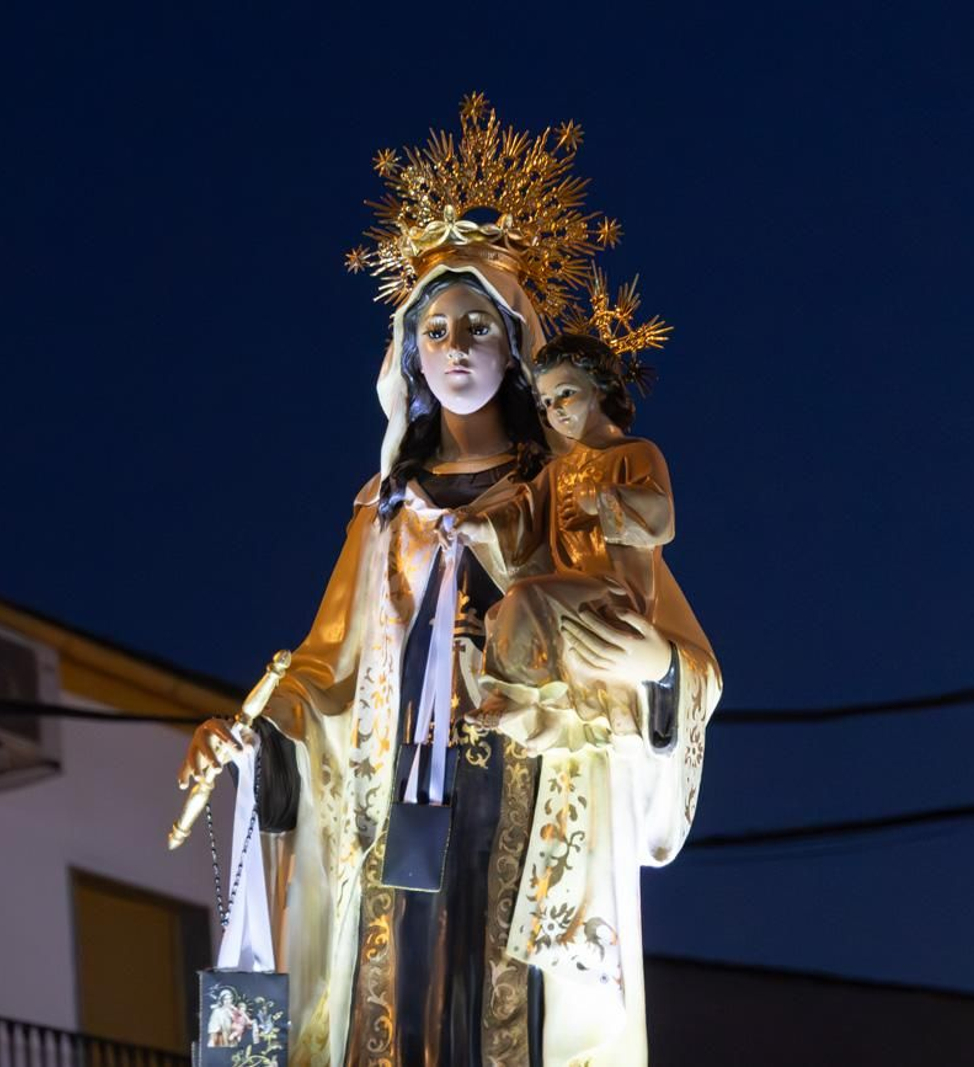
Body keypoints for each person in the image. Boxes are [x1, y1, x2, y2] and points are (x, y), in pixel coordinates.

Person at [178, 97, 721, 1066]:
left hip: (527, 774)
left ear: (516, 343)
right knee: (398, 1000)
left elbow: (671, 649)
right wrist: (252, 733)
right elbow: (328, 669)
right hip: (397, 795)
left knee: (503, 1003)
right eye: (436, 327)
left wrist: (654, 669)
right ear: (410, 358)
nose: (458, 343)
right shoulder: (385, 506)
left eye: (478, 322)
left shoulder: (568, 487)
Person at [463, 331, 676, 757]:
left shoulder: (634, 453)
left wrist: (603, 501)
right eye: (545, 403)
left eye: (565, 394)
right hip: (566, 590)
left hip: (614, 592)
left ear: (599, 388)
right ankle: (543, 713)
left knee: (527, 597)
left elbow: (661, 517)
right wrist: (482, 528)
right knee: (504, 611)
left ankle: (514, 696)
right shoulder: (560, 470)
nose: (555, 411)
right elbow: (523, 515)